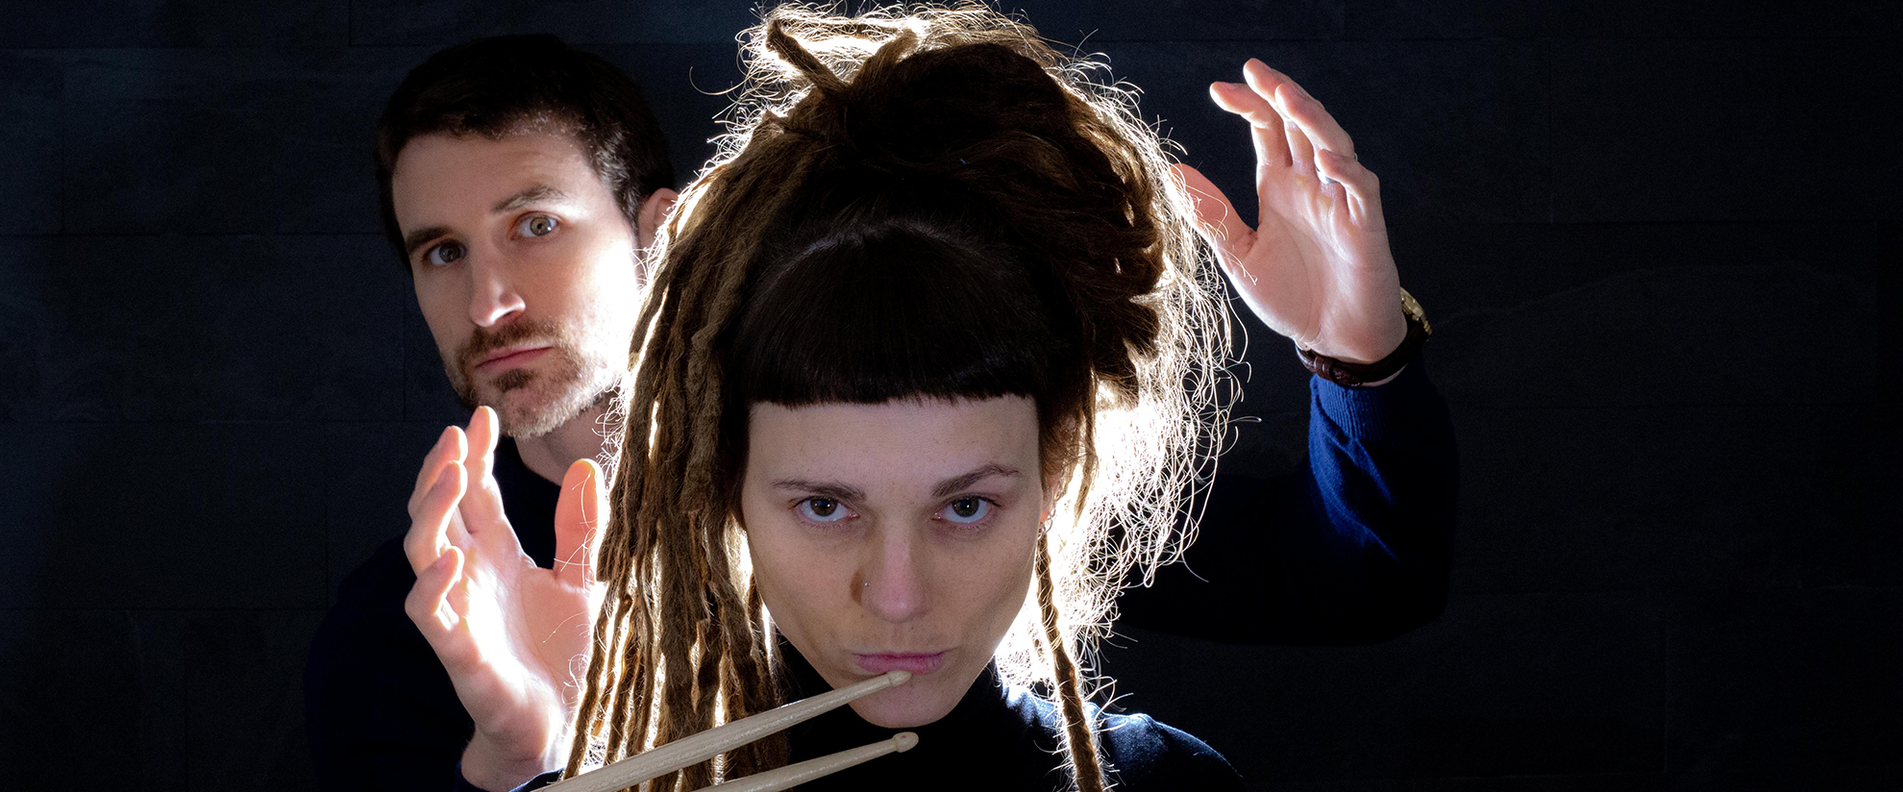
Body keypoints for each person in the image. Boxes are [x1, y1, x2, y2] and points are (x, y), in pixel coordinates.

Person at [394, 5, 1456, 791]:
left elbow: (1360, 578)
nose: (897, 597)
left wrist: (1357, 357)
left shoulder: (1161, 776)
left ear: (1058, 481)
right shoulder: (460, 636)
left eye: (966, 506)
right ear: (724, 483)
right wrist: (530, 761)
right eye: (824, 506)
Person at [304, 34, 679, 790]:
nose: (487, 305)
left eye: (536, 225)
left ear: (660, 237)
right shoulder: (406, 626)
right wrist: (508, 764)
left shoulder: (838, 524)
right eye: (444, 252)